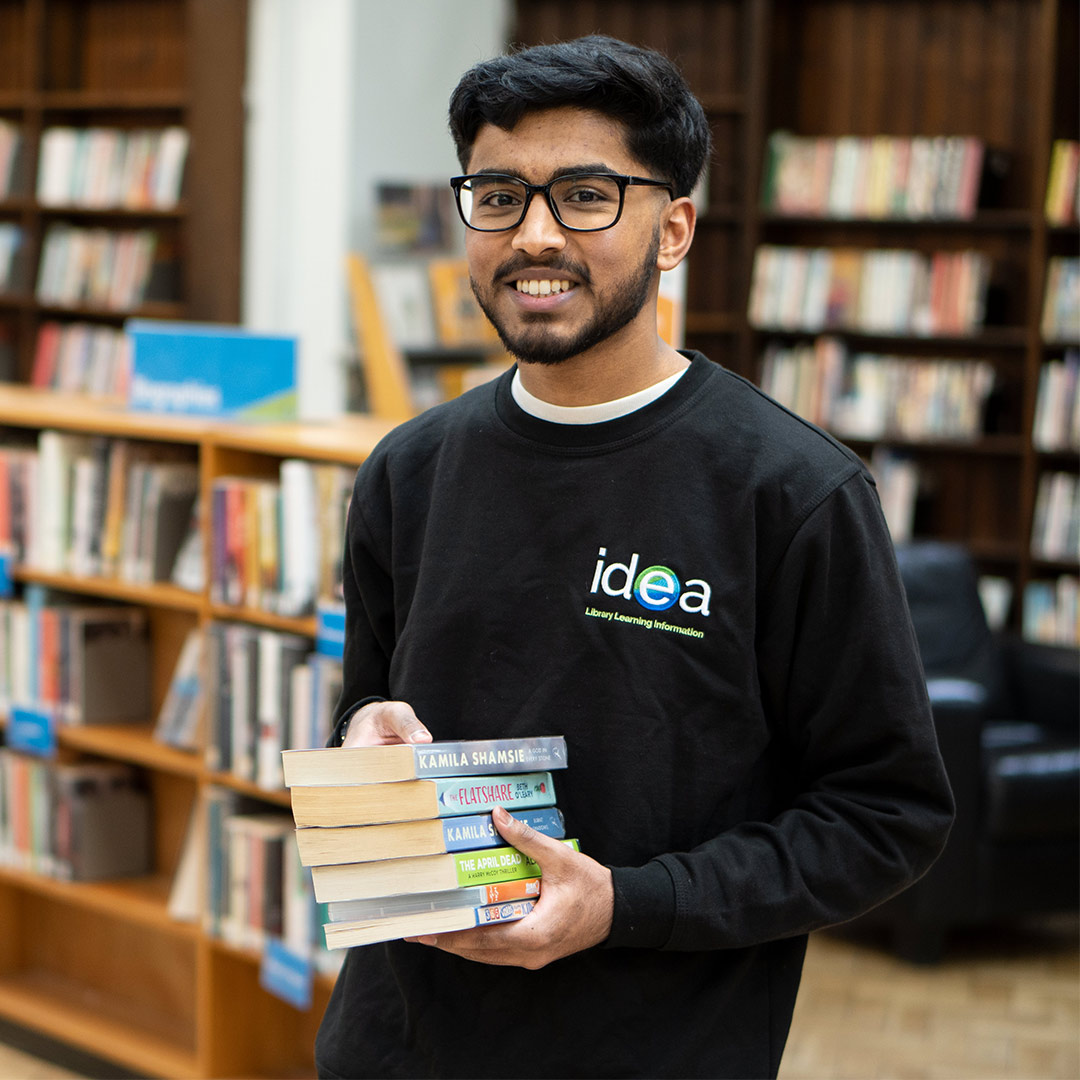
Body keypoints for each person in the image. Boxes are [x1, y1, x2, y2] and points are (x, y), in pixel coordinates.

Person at [315, 35, 953, 1080]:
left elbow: (888, 815)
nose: (534, 235)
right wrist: (361, 731)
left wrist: (623, 903)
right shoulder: (408, 469)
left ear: (674, 228)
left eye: (585, 196)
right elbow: (372, 707)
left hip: (655, 1049)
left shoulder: (792, 492)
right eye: (498, 194)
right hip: (397, 1044)